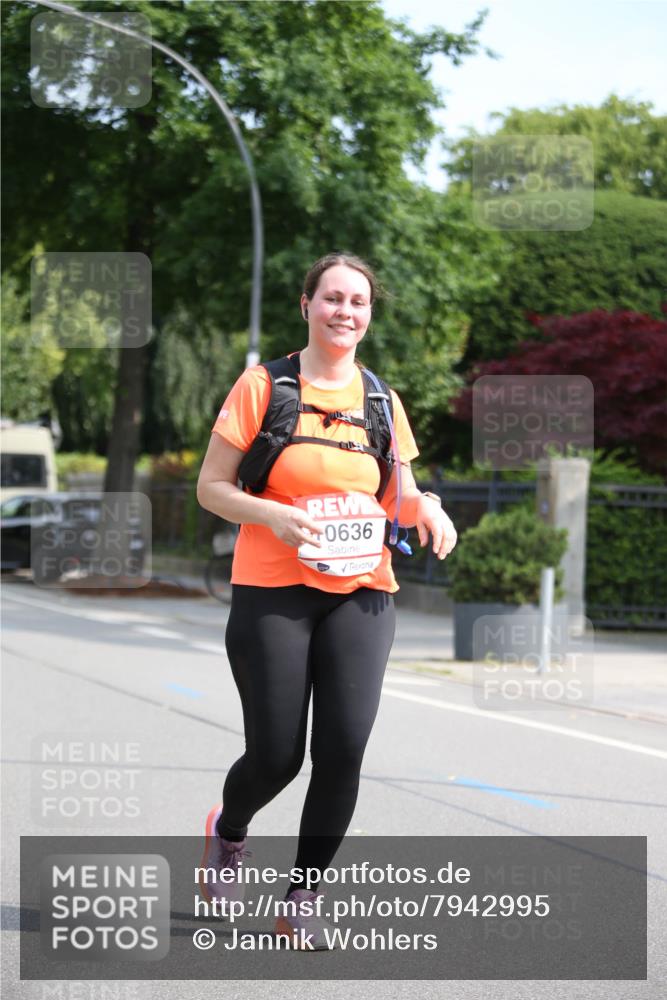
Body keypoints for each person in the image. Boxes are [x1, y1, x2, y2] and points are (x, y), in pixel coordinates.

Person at [196, 252, 457, 949]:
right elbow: (211, 487)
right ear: (307, 304)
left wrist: (428, 507)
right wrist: (272, 515)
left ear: (368, 315)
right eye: (333, 298)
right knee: (276, 756)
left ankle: (302, 897)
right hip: (272, 590)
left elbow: (397, 494)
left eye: (358, 301)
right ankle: (229, 830)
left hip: (362, 591)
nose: (345, 311)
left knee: (342, 750)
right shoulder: (264, 386)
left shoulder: (380, 400)